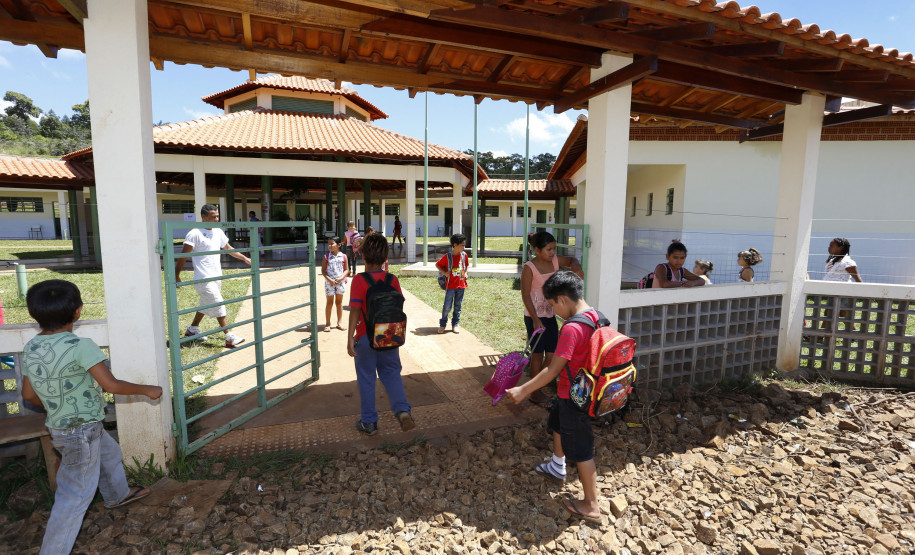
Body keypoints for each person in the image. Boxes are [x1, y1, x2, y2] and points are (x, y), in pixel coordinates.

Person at [19, 280, 163, 555]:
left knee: (109, 454)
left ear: (33, 314)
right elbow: (112, 386)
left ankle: (117, 495)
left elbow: (28, 394)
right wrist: (147, 389)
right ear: (78, 311)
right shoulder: (81, 345)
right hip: (80, 431)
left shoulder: (32, 347)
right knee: (73, 497)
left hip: (63, 426)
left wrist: (57, 408)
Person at [506, 271, 601, 524]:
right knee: (558, 423)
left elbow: (553, 369)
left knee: (581, 449)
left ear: (562, 299)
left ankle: (591, 504)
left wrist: (523, 390)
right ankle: (557, 466)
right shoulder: (595, 315)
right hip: (577, 390)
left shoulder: (572, 328)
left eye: (552, 305)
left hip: (575, 396)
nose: (553, 311)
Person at [347, 234, 414, 435]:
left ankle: (369, 422)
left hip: (366, 339)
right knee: (392, 373)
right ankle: (402, 411)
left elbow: (356, 311)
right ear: (386, 257)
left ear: (363, 256)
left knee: (367, 378)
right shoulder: (392, 279)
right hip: (389, 337)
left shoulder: (359, 280)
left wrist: (350, 337)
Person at [521, 231, 584, 409]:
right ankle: (534, 391)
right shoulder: (529, 268)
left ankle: (539, 383)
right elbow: (525, 295)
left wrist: (576, 267)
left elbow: (572, 260)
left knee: (552, 353)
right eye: (548, 249)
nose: (552, 253)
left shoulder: (555, 261)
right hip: (534, 317)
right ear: (537, 250)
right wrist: (534, 319)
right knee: (537, 354)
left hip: (550, 315)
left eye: (554, 249)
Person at [176, 204, 251, 348]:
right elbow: (183, 257)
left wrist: (245, 258)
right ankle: (229, 337)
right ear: (203, 217)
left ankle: (192, 330)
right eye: (213, 216)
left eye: (217, 216)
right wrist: (176, 275)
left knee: (205, 303)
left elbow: (229, 249)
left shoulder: (218, 231)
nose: (216, 219)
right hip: (203, 279)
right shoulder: (194, 233)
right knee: (218, 303)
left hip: (216, 277)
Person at [436, 233, 470, 334]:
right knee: (447, 306)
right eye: (462, 245)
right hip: (450, 286)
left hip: (461, 285)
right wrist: (445, 273)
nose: (464, 247)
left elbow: (467, 265)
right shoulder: (447, 257)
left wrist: (466, 273)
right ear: (455, 245)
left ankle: (455, 324)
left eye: (464, 245)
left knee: (458, 306)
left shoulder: (464, 255)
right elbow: (438, 265)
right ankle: (442, 325)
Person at [322, 236, 349, 332]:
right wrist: (329, 280)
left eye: (332, 243)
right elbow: (323, 271)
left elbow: (346, 270)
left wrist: (341, 278)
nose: (329, 245)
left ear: (339, 245)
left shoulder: (344, 256)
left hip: (340, 283)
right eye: (328, 243)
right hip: (329, 283)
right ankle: (328, 324)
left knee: (339, 303)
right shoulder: (326, 257)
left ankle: (339, 323)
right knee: (329, 303)